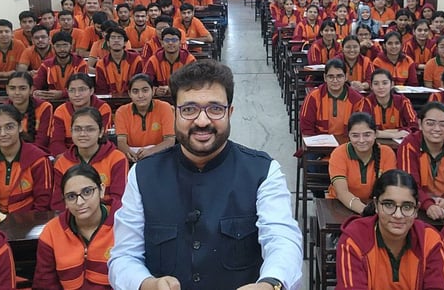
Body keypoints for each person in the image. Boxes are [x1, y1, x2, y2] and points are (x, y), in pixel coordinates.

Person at [108, 60, 302, 289]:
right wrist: (147, 284)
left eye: (215, 109)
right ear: (174, 114)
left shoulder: (263, 172)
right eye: (189, 109)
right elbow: (123, 256)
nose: (202, 121)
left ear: (230, 112)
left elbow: (283, 240)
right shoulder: (143, 175)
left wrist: (270, 283)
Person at [335, 170, 444, 289]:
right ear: (376, 205)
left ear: (417, 209)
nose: (398, 215)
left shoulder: (431, 240)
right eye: (389, 205)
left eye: (407, 207)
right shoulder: (355, 239)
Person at [34, 164, 115, 289]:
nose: (80, 202)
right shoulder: (52, 231)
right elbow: (45, 284)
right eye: (71, 196)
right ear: (64, 201)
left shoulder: (123, 224)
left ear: (102, 190)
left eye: (87, 192)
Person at [0, 104, 52, 214]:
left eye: (9, 127)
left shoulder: (38, 159)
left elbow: (43, 204)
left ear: (20, 127)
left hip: (28, 223)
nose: (3, 134)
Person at [51, 107, 127, 214]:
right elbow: (58, 204)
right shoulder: (62, 162)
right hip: (72, 219)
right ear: (71, 131)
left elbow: (118, 201)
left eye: (90, 129)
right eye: (77, 129)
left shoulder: (117, 158)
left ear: (101, 132)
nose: (83, 134)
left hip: (107, 218)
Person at [328, 112, 396, 215]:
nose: (361, 140)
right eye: (355, 135)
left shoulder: (387, 153)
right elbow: (342, 192)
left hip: (376, 208)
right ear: (349, 136)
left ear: (376, 134)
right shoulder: (339, 154)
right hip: (341, 205)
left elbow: (389, 190)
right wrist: (365, 211)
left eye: (367, 135)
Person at [114, 74, 176, 163]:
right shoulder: (121, 111)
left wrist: (150, 152)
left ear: (153, 91)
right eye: (135, 91)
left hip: (160, 156)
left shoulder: (165, 108)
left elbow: (170, 141)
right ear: (129, 94)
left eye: (145, 90)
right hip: (133, 158)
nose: (140, 95)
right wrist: (130, 154)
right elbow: (121, 141)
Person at [300, 58, 366, 141]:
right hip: (318, 143)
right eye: (331, 77)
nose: (335, 81)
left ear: (346, 77)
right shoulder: (313, 96)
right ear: (325, 77)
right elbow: (306, 128)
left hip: (348, 144)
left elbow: (360, 128)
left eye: (339, 76)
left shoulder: (357, 99)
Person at [50, 74, 113, 157]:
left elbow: (103, 138)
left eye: (82, 90)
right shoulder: (61, 111)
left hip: (96, 154)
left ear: (91, 91)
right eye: (72, 90)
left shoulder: (103, 108)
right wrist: (68, 158)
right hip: (67, 155)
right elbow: (56, 142)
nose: (76, 94)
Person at [32, 31, 89, 100]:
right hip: (51, 101)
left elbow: (82, 87)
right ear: (52, 46)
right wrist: (36, 92)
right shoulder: (46, 65)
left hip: (75, 100)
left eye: (65, 45)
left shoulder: (80, 64)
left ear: (71, 46)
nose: (62, 49)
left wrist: (62, 94)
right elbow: (36, 84)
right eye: (58, 46)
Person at [363, 69, 418, 139]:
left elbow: (414, 127)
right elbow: (364, 131)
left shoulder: (403, 101)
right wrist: (394, 134)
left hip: (399, 145)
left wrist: (380, 133)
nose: (380, 87)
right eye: (376, 84)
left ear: (392, 85)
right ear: (371, 86)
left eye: (385, 83)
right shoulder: (366, 102)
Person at [5, 71, 53, 151]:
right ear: (7, 89)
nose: (17, 93)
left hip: (37, 153)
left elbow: (42, 141)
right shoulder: (2, 111)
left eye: (22, 88)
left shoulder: (45, 107)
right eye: (12, 88)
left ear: (31, 89)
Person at [143, 27, 196, 98]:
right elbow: (144, 82)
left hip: (184, 98)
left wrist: (171, 89)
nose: (170, 43)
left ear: (180, 43)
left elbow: (195, 83)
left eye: (174, 40)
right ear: (162, 43)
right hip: (160, 99)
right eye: (167, 40)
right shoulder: (154, 60)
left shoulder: (189, 59)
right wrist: (155, 90)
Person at [94, 27, 143, 95]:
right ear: (108, 42)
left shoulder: (136, 60)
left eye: (119, 38)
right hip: (109, 102)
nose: (116, 40)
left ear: (125, 42)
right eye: (113, 38)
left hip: (132, 100)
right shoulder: (101, 64)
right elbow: (102, 91)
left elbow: (139, 85)